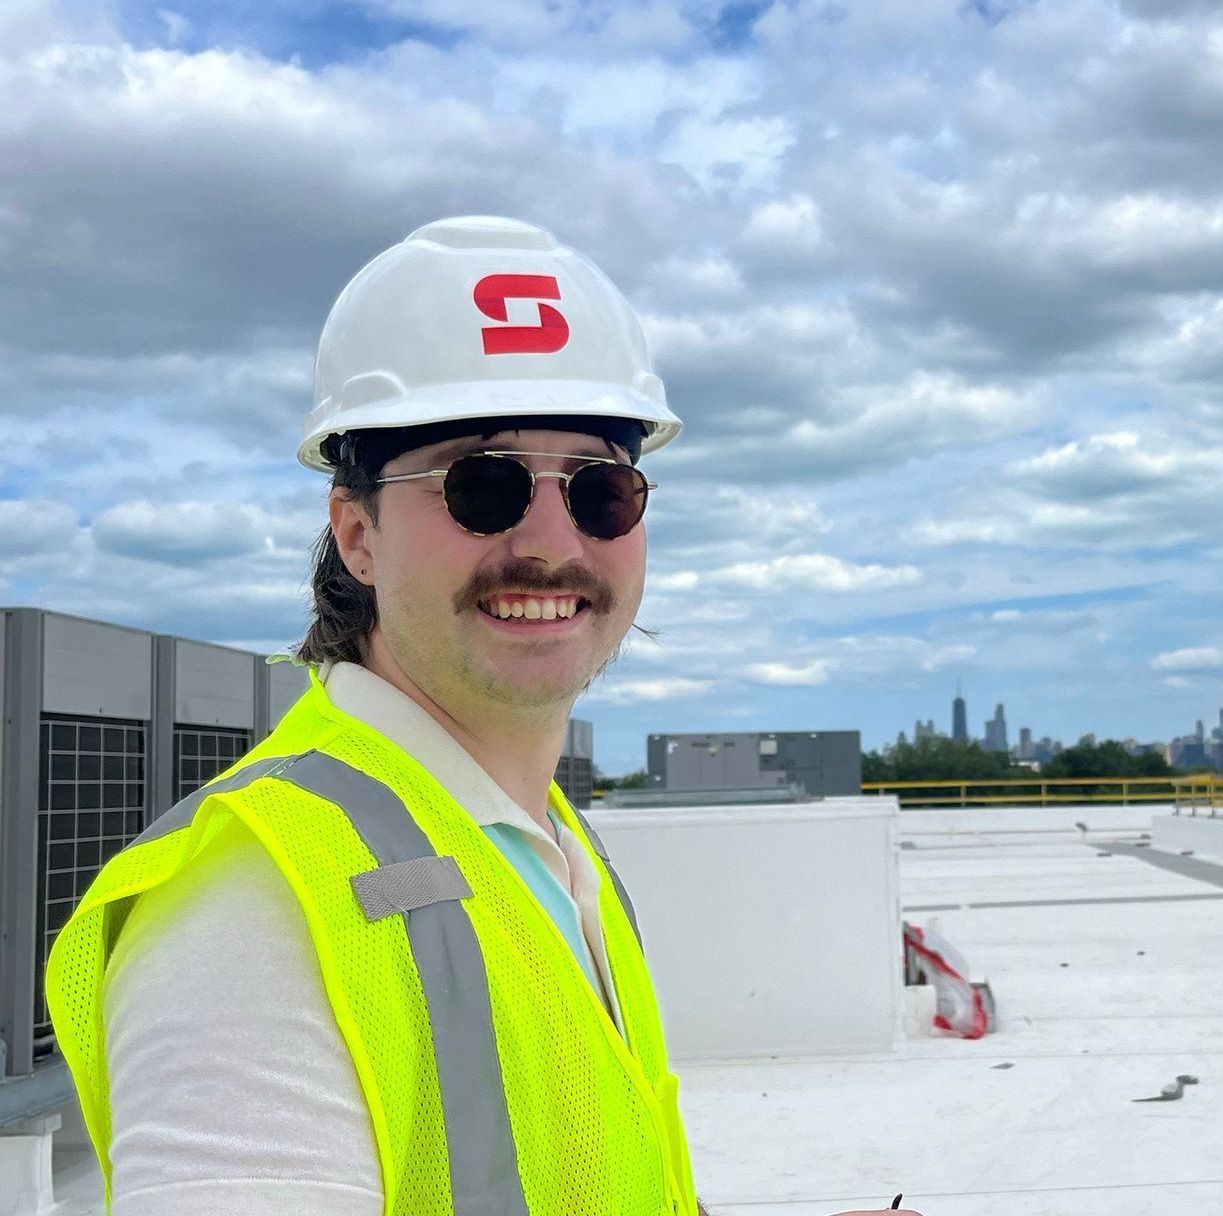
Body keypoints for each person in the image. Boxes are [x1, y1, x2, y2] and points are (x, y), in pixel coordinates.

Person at [47, 217, 921, 1216]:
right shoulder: (253, 909)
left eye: (601, 487)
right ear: (357, 532)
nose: (551, 541)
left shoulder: (547, 847)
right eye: (484, 483)